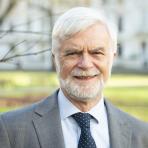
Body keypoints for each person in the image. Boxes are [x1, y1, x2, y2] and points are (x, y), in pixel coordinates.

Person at [0, 7, 148, 148]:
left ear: (112, 58)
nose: (85, 64)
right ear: (55, 59)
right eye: (73, 53)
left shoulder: (142, 135)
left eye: (96, 52)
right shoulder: (11, 130)